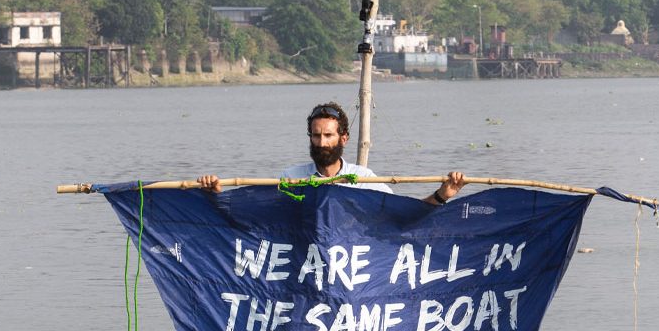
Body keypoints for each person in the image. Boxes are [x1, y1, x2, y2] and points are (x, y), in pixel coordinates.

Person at [197, 101, 466, 205]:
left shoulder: (363, 179)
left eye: (328, 136)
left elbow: (403, 215)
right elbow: (260, 219)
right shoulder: (291, 178)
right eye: (316, 136)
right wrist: (217, 196)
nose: (322, 143)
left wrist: (443, 195)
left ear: (343, 139)